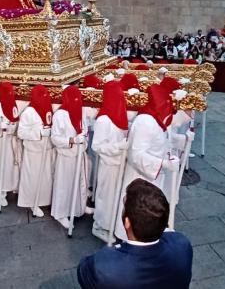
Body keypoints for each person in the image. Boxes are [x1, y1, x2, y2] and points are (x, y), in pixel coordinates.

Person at [77, 179, 193, 289]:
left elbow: (82, 271)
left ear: (127, 222)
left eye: (124, 204)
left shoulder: (103, 266)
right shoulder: (182, 246)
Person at [114, 84, 179, 241]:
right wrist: (162, 163)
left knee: (150, 212)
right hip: (141, 175)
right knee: (137, 211)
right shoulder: (145, 121)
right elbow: (136, 155)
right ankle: (128, 240)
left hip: (154, 175)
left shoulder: (157, 119)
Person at [91, 81, 129, 242]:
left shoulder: (118, 114)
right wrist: (118, 146)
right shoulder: (103, 120)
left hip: (119, 162)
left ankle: (110, 222)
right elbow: (96, 146)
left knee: (115, 196)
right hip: (108, 163)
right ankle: (99, 226)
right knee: (104, 196)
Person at [50, 85, 91, 229]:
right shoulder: (59, 115)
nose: (77, 100)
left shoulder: (81, 111)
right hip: (66, 155)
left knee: (80, 181)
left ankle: (80, 206)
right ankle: (61, 213)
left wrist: (83, 137)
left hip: (79, 154)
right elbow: (54, 138)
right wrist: (72, 140)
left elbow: (84, 128)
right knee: (65, 185)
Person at [17, 85, 54, 217]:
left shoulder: (49, 108)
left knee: (45, 177)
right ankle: (32, 202)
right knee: (32, 178)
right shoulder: (29, 112)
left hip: (47, 149)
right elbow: (21, 132)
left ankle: (43, 199)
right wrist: (39, 132)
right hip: (33, 151)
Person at [0, 82, 22, 208]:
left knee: (13, 166)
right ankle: (1, 193)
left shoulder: (13, 104)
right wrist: (0, 127)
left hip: (11, 141)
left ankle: (13, 186)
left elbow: (16, 121)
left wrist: (12, 126)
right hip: (1, 142)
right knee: (2, 166)